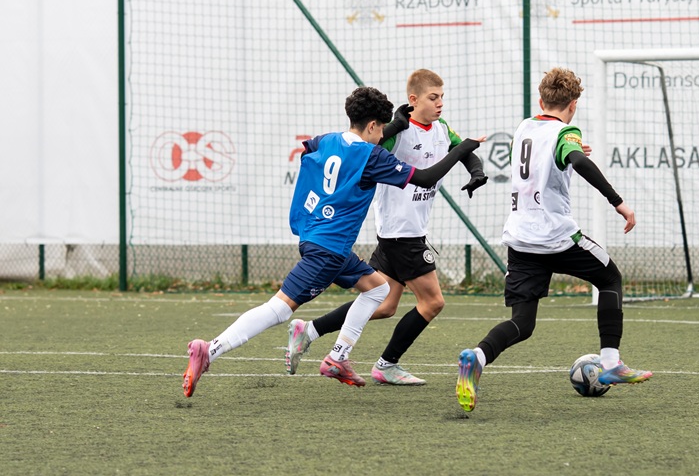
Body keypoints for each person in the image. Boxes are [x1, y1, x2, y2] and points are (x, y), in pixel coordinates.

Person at [182, 86, 481, 397]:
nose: (384, 136)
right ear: (372, 125)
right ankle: (210, 349)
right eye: (381, 129)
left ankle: (338, 357)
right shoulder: (371, 157)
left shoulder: (326, 140)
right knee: (280, 309)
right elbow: (425, 178)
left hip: (320, 239)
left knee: (378, 289)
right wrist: (462, 149)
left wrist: (392, 126)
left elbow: (309, 152)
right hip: (329, 250)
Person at [455, 67, 652, 412]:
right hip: (556, 237)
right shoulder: (567, 131)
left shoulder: (523, 128)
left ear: (540, 100)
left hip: (520, 238)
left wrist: (570, 150)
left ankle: (478, 357)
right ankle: (610, 363)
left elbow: (543, 156)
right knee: (610, 278)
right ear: (573, 105)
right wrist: (617, 202)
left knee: (522, 322)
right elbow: (576, 161)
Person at [284, 69, 488, 385]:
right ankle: (386, 364)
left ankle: (309, 330)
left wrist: (476, 172)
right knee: (433, 302)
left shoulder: (442, 128)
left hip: (403, 232)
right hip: (402, 233)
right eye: (433, 98)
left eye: (442, 97)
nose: (440, 103)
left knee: (385, 305)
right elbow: (375, 142)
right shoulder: (396, 133)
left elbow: (465, 151)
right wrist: (395, 123)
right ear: (413, 99)